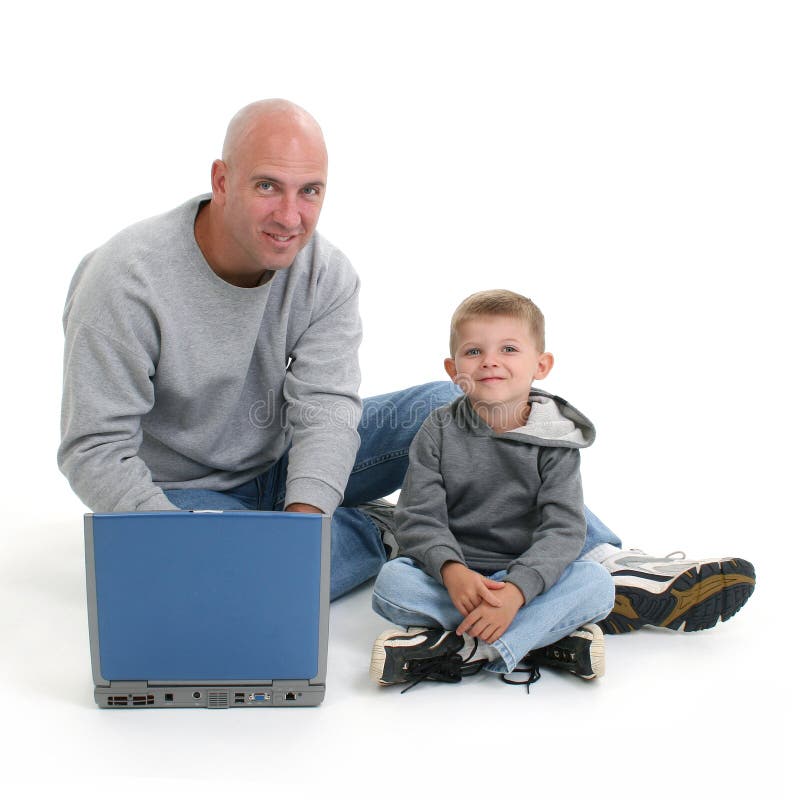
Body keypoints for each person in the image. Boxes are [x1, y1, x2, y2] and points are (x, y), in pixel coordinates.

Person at [58, 98, 755, 629]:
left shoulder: (324, 272)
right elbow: (94, 450)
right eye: (268, 186)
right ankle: (400, 534)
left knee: (444, 407)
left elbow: (328, 409)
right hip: (188, 496)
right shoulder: (126, 280)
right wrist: (180, 550)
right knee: (231, 581)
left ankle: (606, 562)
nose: (292, 216)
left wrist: (305, 522)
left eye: (312, 191)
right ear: (222, 178)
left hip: (284, 466)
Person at [370, 290, 614, 690]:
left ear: (541, 364)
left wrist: (517, 591)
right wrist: (452, 572)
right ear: (453, 369)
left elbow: (564, 530)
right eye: (473, 352)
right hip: (457, 579)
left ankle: (468, 649)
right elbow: (417, 517)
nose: (490, 361)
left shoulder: (555, 437)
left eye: (509, 348)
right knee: (392, 583)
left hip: (527, 580)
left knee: (597, 585)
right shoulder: (438, 429)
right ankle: (542, 638)